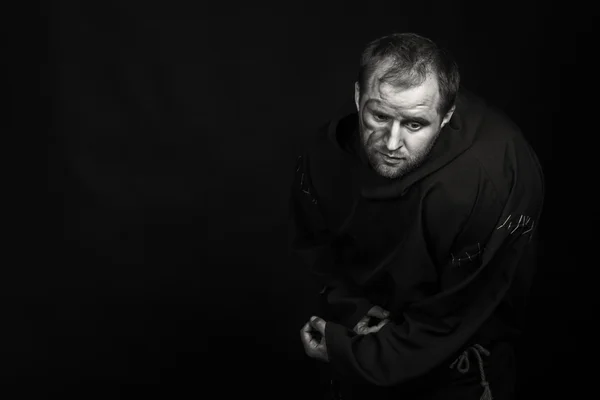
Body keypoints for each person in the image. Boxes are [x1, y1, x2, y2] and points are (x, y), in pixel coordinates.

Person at [289, 32, 545, 399]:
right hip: (365, 346)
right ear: (359, 97)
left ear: (446, 117)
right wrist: (351, 309)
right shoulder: (323, 156)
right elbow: (314, 251)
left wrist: (349, 352)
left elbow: (458, 313)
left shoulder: (491, 179)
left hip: (461, 367)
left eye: (413, 124)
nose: (391, 143)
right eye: (379, 116)